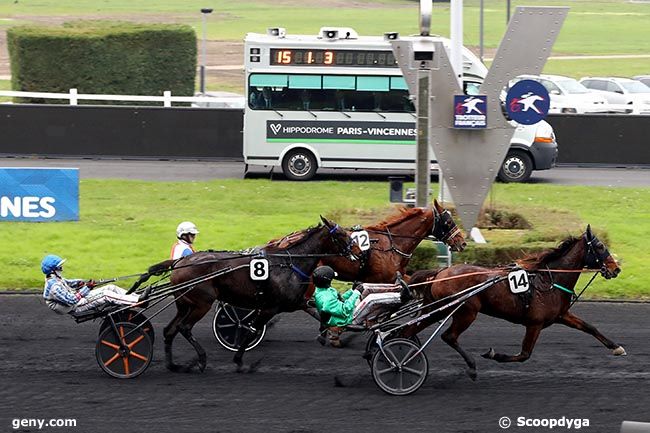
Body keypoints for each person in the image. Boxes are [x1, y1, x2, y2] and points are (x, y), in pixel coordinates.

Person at [312, 265, 412, 347]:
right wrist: (356, 293)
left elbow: (341, 299)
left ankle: (396, 287)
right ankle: (401, 297)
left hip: (346, 313)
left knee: (365, 287)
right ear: (327, 281)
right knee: (371, 299)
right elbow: (345, 310)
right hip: (348, 318)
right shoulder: (326, 299)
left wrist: (352, 290)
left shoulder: (324, 290)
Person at [41, 254, 143, 316]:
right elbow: (71, 300)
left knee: (111, 287)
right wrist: (87, 288)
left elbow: (68, 282)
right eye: (59, 267)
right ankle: (137, 301)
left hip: (77, 301)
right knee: (106, 294)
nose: (62, 269)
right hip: (75, 307)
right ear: (53, 270)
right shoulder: (54, 287)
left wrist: (82, 282)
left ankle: (137, 297)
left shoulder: (55, 279)